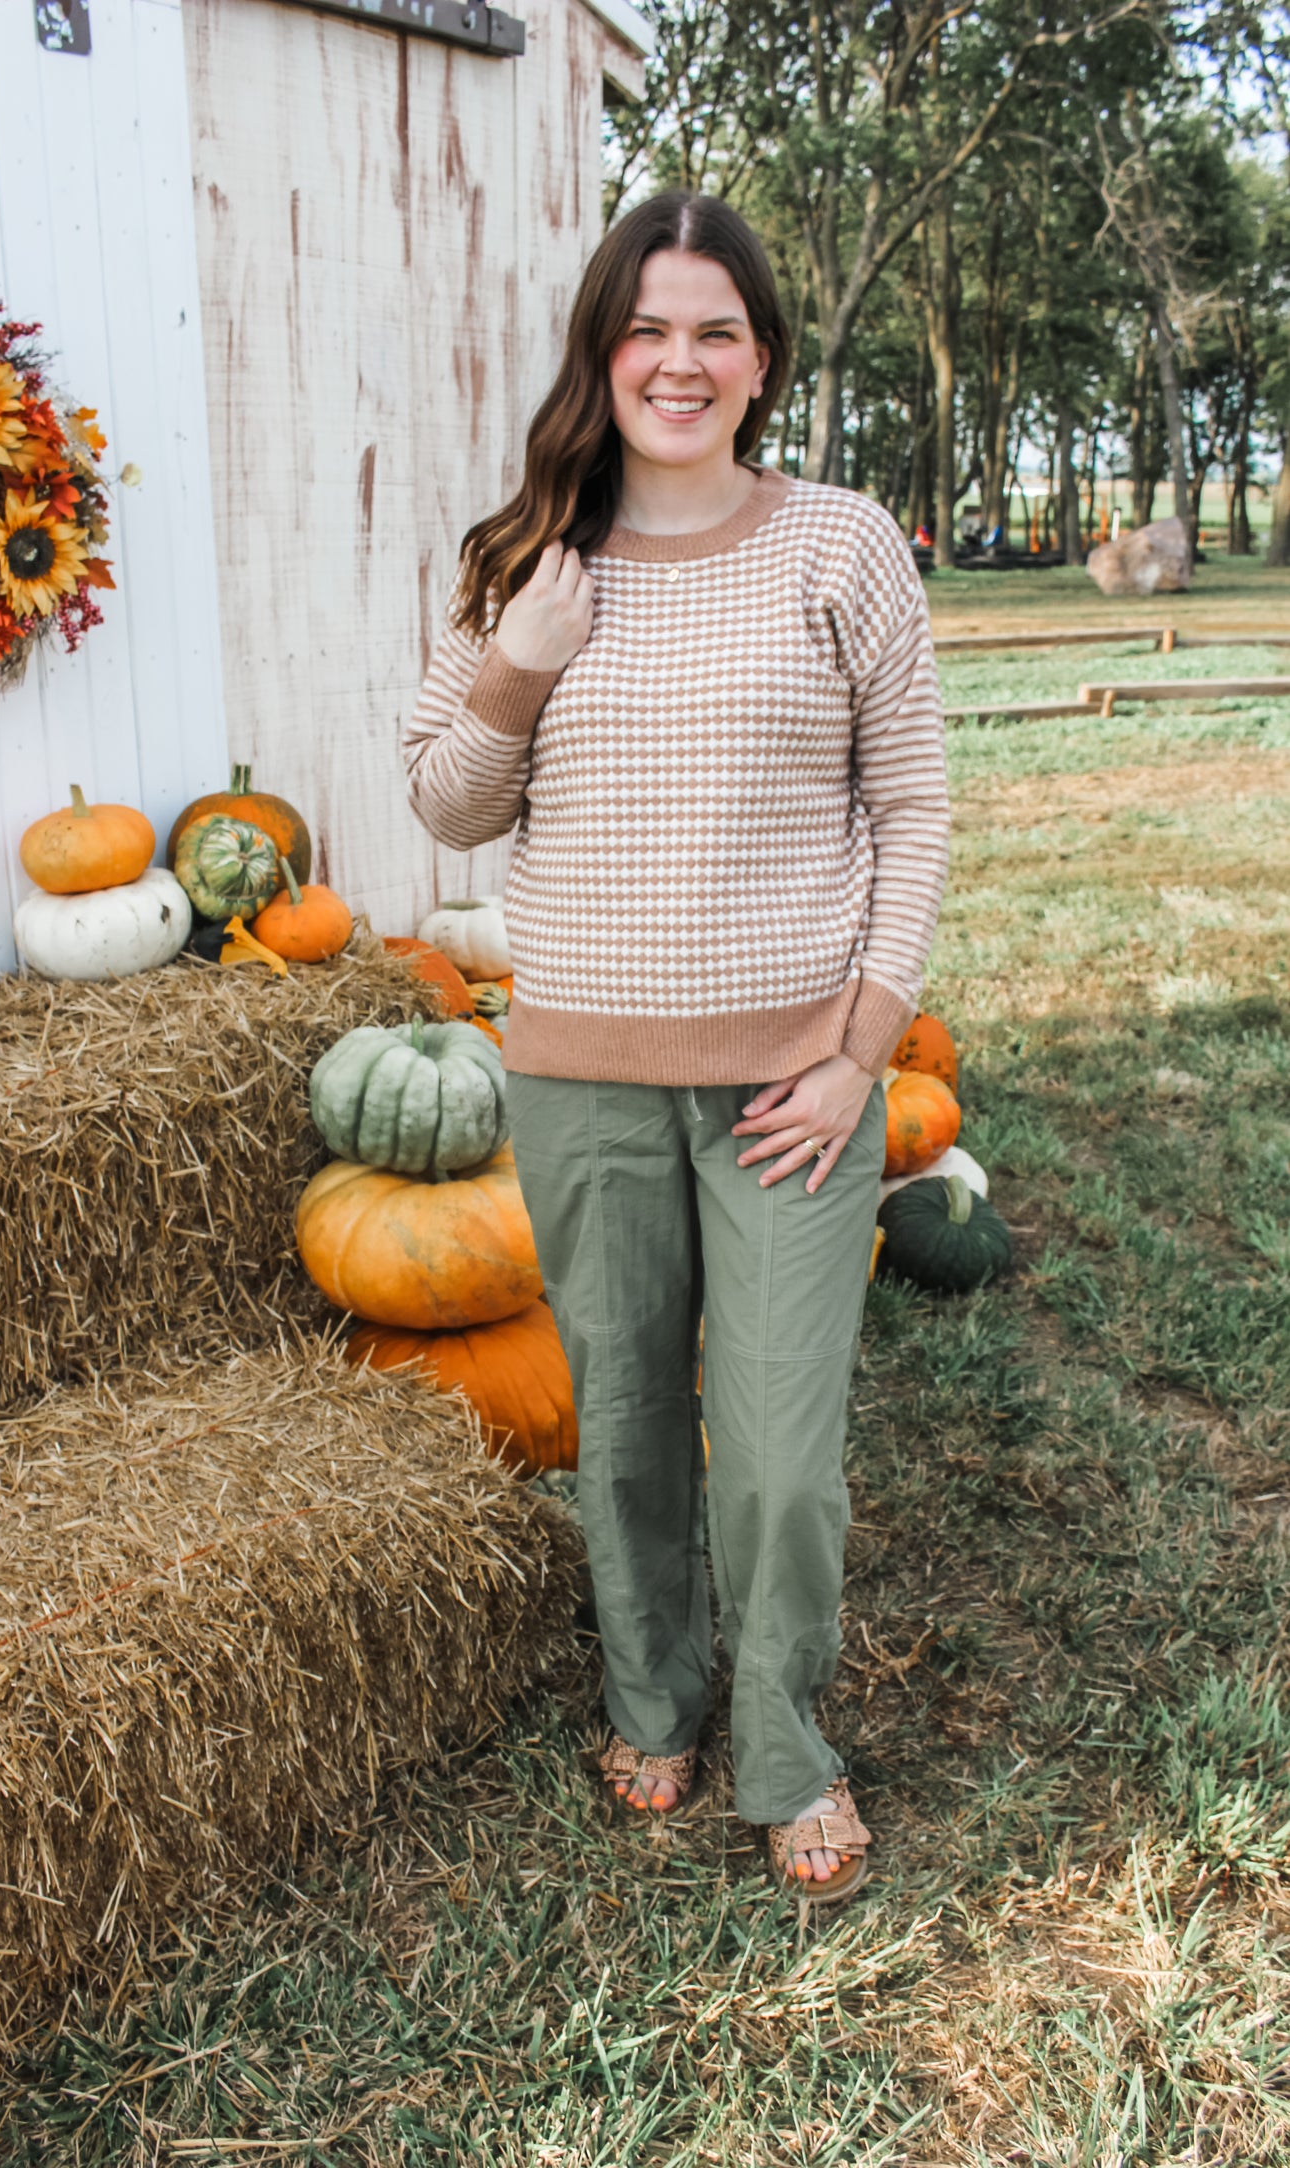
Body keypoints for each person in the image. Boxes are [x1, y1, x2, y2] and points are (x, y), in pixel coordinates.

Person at [404, 191, 948, 1901]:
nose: (679, 360)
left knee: (781, 1460)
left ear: (762, 358)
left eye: (714, 328)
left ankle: (785, 1748)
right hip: (581, 1084)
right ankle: (654, 1694)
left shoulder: (838, 545)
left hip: (795, 1083)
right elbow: (444, 807)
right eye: (646, 327)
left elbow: (912, 807)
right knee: (628, 1423)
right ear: (601, 350)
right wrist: (517, 667)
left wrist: (863, 1049)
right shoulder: (522, 563)